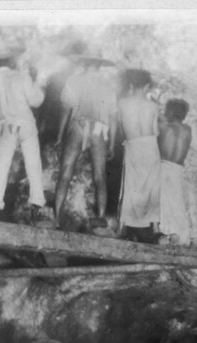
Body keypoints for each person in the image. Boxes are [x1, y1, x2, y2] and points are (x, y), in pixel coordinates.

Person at [54, 55, 117, 233]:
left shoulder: (74, 80)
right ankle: (100, 219)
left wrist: (60, 136)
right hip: (98, 129)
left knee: (65, 173)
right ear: (99, 65)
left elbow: (65, 110)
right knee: (99, 177)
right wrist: (112, 144)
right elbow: (113, 118)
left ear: (85, 63)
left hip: (78, 126)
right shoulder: (108, 85)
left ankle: (57, 218)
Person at [0, 54, 49, 223]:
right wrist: (39, 84)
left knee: (1, 167)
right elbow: (36, 101)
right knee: (33, 166)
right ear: (10, 61)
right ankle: (37, 205)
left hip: (6, 127)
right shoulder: (20, 76)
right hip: (25, 124)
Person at [116, 69, 162, 238]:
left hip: (133, 145)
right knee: (152, 185)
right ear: (147, 86)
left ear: (130, 85)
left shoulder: (122, 103)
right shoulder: (153, 105)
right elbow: (156, 131)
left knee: (130, 185)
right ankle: (155, 226)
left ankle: (123, 225)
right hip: (150, 145)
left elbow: (121, 127)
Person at [155, 98, 192, 245]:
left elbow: (158, 119)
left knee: (163, 202)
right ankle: (182, 237)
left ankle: (168, 235)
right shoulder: (187, 130)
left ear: (170, 111)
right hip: (178, 168)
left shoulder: (164, 126)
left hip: (163, 165)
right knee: (177, 202)